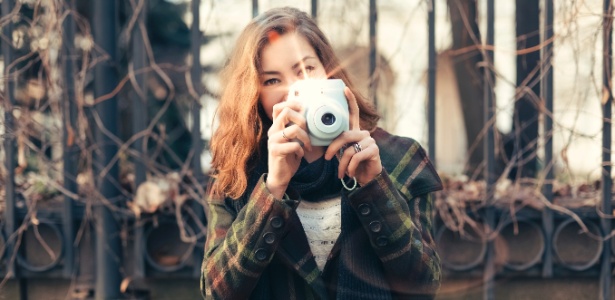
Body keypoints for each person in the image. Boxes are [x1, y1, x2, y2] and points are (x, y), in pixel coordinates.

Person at [201, 6, 443, 300]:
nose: (293, 89)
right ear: (253, 93)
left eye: (306, 69)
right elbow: (217, 292)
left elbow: (424, 285)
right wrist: (272, 189)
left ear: (329, 73)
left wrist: (374, 187)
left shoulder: (398, 159)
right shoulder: (234, 174)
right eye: (272, 80)